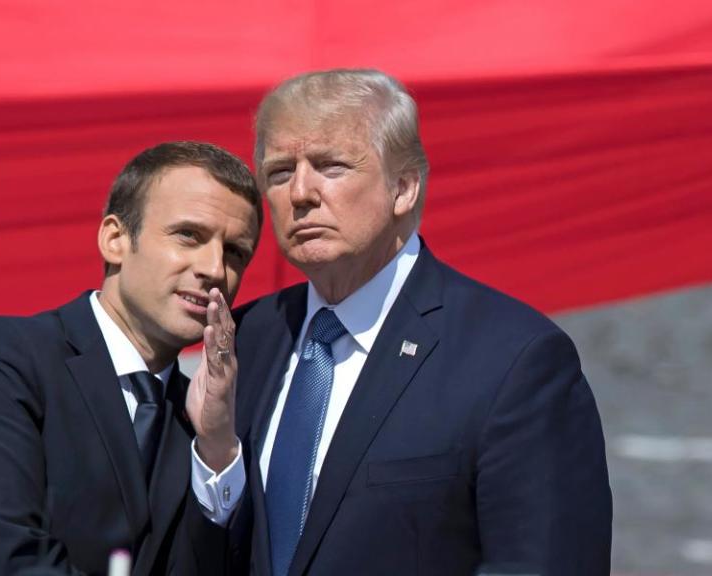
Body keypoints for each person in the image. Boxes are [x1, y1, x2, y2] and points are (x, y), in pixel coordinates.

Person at [231, 69, 612, 575]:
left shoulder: (513, 361)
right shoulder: (243, 341)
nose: (300, 192)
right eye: (279, 172)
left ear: (404, 187)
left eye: (331, 166)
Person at [0, 141, 258, 575]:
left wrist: (216, 449)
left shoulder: (208, 426)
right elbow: (5, 559)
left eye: (235, 252)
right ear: (115, 239)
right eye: (189, 235)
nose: (213, 268)